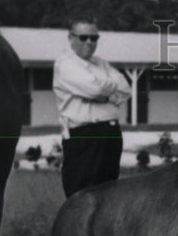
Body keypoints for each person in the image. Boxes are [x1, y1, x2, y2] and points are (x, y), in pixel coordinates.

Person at [53, 16, 131, 197]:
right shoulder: (65, 63)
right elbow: (95, 89)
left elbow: (125, 88)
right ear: (71, 38)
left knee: (109, 195)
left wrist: (101, 92)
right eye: (83, 37)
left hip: (110, 133)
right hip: (84, 136)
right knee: (81, 196)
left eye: (94, 38)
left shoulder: (102, 63)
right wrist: (106, 90)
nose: (89, 42)